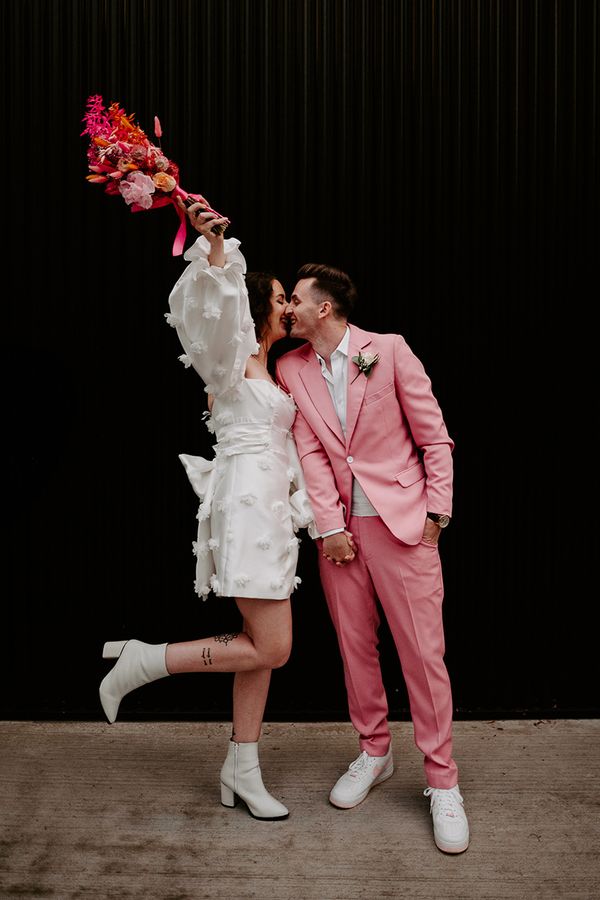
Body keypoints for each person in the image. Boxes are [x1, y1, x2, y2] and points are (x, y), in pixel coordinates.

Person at [99, 204, 315, 821]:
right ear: (256, 306)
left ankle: (240, 770)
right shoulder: (232, 356)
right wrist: (218, 250)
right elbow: (211, 316)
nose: (287, 307)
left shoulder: (273, 370)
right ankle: (149, 659)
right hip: (246, 505)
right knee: (274, 647)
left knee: (259, 645)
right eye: (279, 298)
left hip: (271, 511)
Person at [276, 264, 470, 853]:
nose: (287, 310)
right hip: (340, 534)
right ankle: (374, 751)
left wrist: (437, 518)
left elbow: (434, 437)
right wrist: (330, 526)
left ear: (325, 310)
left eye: (297, 301)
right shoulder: (290, 368)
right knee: (355, 644)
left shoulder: (387, 350)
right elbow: (308, 450)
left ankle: (442, 781)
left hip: (405, 526)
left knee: (422, 653)